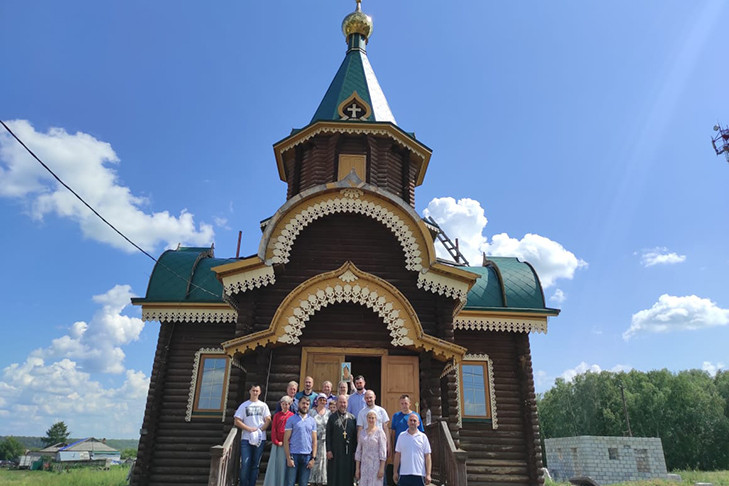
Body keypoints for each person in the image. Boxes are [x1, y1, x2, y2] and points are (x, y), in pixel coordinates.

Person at [234, 384, 271, 486]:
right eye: (253, 390)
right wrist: (249, 429)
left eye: (257, 391)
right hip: (246, 438)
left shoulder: (263, 406)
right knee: (245, 463)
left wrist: (260, 430)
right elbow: (237, 421)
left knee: (255, 464)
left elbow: (268, 419)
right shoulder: (244, 405)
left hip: (260, 439)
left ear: (260, 392)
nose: (255, 393)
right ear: (249, 391)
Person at [284, 396, 317, 486]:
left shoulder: (312, 421)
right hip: (293, 455)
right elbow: (286, 440)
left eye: (307, 404)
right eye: (303, 403)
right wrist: (288, 458)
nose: (305, 406)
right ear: (299, 404)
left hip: (307, 456)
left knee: (303, 483)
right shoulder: (291, 419)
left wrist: (313, 458)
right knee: (290, 483)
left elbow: (314, 441)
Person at [326, 394, 357, 486]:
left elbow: (355, 436)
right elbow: (328, 435)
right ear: (337, 403)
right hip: (335, 451)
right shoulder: (332, 418)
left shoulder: (352, 418)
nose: (342, 404)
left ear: (347, 403)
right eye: (340, 402)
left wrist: (355, 451)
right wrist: (329, 450)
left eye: (344, 402)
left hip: (348, 451)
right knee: (334, 473)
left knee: (347, 473)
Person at [393, 414, 431, 486]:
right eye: (410, 420)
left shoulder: (423, 437)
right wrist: (395, 472)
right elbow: (397, 455)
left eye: (414, 421)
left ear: (418, 423)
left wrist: (428, 474)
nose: (412, 422)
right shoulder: (401, 436)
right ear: (407, 423)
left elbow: (427, 456)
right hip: (404, 473)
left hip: (419, 474)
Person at [264, 395, 294, 486]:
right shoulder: (277, 415)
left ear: (290, 405)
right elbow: (274, 430)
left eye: (287, 404)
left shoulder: (292, 416)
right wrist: (276, 441)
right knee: (275, 465)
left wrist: (287, 442)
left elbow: (293, 431)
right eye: (283, 404)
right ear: (281, 405)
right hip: (277, 444)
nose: (285, 406)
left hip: (287, 445)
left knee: (283, 466)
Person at [355, 410, 387, 486]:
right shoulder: (362, 433)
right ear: (366, 419)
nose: (371, 420)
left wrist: (382, 468)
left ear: (376, 419)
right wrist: (357, 469)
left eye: (373, 418)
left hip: (376, 466)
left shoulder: (380, 433)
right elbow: (359, 451)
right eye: (369, 418)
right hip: (364, 466)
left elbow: (383, 451)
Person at [309, 393, 331, 486]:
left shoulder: (329, 413)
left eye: (324, 400)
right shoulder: (311, 412)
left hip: (324, 442)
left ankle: (322, 481)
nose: (322, 401)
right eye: (320, 400)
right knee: (314, 461)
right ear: (317, 401)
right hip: (313, 441)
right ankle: (312, 481)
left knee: (323, 462)